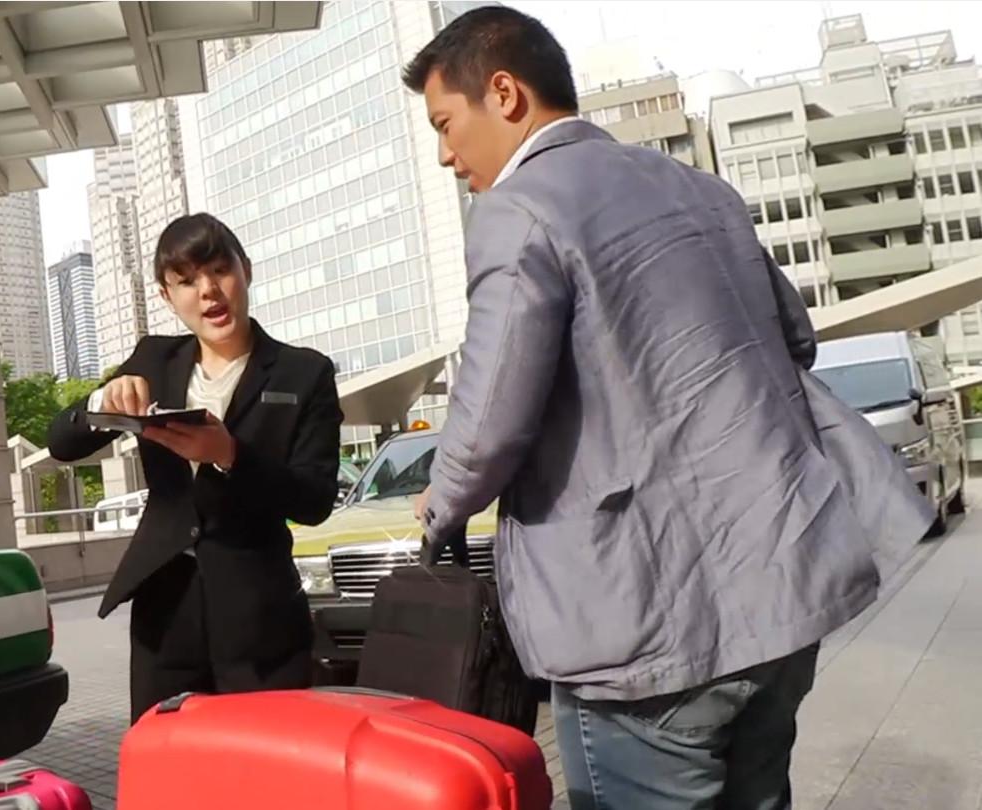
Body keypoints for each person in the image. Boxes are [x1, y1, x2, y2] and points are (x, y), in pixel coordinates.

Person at [402, 8, 934, 810]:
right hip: (778, 593)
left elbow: (487, 425)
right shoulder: (700, 188)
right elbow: (793, 336)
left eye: (446, 124)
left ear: (503, 94)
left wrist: (437, 508)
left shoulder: (518, 211)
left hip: (642, 625)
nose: (446, 155)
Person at [48, 213, 343, 722]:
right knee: (170, 767)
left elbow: (315, 499)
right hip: (166, 610)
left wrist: (229, 454)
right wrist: (102, 398)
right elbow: (62, 443)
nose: (208, 291)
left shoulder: (305, 372)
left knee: (264, 770)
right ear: (167, 296)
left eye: (219, 270)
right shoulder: (153, 360)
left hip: (259, 612)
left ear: (245, 270)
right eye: (186, 281)